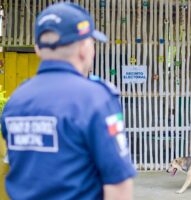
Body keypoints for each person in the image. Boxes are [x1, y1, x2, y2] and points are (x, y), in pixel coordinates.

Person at [1, 3, 136, 200]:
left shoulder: (16, 100)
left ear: (38, 49)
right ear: (84, 48)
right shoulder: (95, 99)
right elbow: (118, 184)